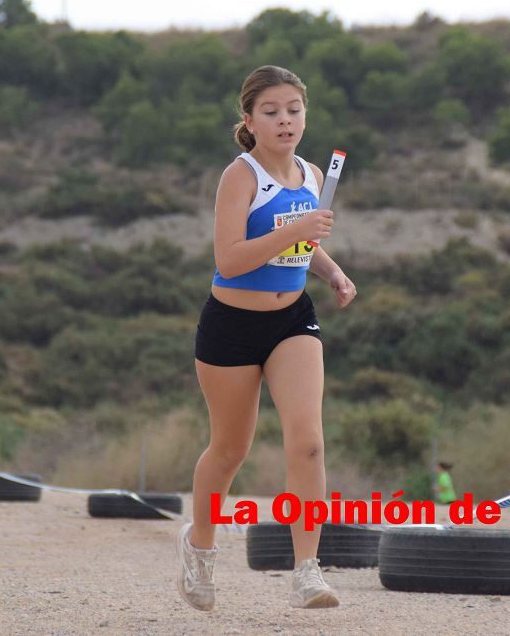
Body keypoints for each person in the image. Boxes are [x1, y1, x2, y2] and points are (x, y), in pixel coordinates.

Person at [177, 65, 357, 612]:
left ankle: (307, 570)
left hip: (291, 320)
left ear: (306, 114)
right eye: (272, 111)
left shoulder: (308, 171)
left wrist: (331, 272)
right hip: (231, 325)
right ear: (250, 120)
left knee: (307, 441)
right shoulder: (241, 175)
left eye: (294, 110)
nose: (285, 120)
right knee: (230, 450)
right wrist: (297, 231)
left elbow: (302, 242)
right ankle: (199, 548)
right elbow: (229, 258)